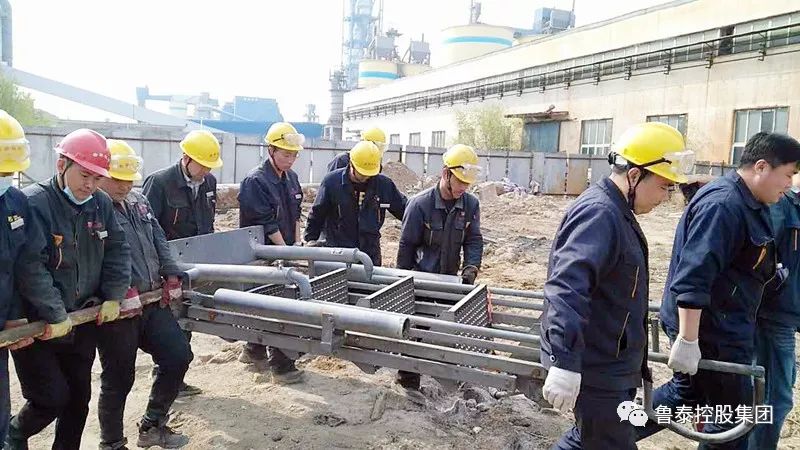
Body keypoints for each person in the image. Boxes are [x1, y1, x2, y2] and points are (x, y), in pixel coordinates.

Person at [637, 132, 800, 450]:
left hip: (725, 325)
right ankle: (600, 436)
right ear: (761, 167)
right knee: (733, 420)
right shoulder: (723, 205)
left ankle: (601, 436)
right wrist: (688, 341)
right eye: (788, 174)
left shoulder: (751, 202)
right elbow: (693, 277)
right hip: (711, 331)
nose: (789, 184)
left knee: (698, 401)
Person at [539, 122, 693, 449]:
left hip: (611, 361)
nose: (666, 197)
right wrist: (565, 362)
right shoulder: (600, 214)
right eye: (664, 187)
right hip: (596, 367)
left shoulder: (617, 212)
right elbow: (567, 288)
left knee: (592, 441)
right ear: (635, 175)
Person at [8, 128, 131, 450]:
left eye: (97, 178)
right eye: (84, 175)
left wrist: (114, 295)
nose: (89, 185)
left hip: (82, 319)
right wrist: (54, 313)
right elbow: (30, 265)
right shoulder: (34, 203)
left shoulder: (100, 203)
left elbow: (118, 249)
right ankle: (15, 435)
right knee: (50, 398)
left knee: (78, 400)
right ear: (62, 165)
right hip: (39, 323)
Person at [97, 140, 192, 449]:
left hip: (151, 300)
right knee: (119, 378)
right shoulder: (92, 209)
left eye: (129, 180)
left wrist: (171, 272)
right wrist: (117, 290)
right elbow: (89, 258)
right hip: (118, 309)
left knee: (178, 355)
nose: (124, 186)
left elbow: (158, 237)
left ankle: (152, 424)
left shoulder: (138, 201)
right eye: (117, 179)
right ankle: (112, 443)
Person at [396, 143, 484, 390]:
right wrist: (403, 283)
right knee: (417, 329)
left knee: (446, 328)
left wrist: (471, 267)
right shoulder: (420, 205)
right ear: (446, 173)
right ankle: (408, 379)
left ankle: (445, 376)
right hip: (421, 281)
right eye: (460, 181)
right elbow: (406, 246)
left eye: (467, 183)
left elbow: (474, 240)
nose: (464, 188)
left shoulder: (470, 205)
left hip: (449, 280)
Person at [143, 129, 222, 397]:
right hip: (167, 265)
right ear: (186, 158)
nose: (206, 171)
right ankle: (164, 376)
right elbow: (147, 228)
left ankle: (176, 379)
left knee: (187, 317)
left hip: (195, 263)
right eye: (203, 165)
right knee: (170, 322)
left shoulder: (209, 183)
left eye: (210, 166)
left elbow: (208, 222)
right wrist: (162, 268)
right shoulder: (160, 183)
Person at [0, 110, 60, 445]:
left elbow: (19, 266)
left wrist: (14, 317)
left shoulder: (15, 202)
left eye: (8, 171)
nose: (5, 178)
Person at [237, 122, 305, 384]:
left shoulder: (292, 178)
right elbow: (266, 223)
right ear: (271, 150)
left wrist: (296, 245)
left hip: (283, 249)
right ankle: (282, 366)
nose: (290, 159)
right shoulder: (256, 181)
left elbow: (296, 214)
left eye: (294, 155)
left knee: (271, 301)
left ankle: (253, 351)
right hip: (262, 253)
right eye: (286, 154)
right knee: (277, 304)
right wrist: (285, 251)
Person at [747, 168, 800, 449]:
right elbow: (758, 264)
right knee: (773, 399)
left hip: (785, 317)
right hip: (771, 317)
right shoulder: (781, 207)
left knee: (775, 393)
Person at [305, 140, 406, 266]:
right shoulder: (332, 182)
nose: (366, 177)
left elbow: (404, 209)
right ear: (351, 164)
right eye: (362, 173)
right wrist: (310, 240)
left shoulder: (383, 185)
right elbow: (317, 213)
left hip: (369, 253)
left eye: (369, 174)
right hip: (338, 252)